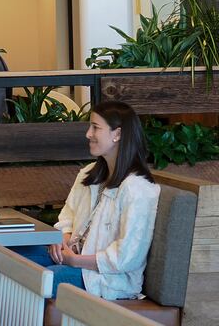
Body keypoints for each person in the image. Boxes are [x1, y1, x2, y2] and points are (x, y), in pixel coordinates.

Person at [18, 101, 160, 299]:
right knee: (12, 259)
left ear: (117, 134)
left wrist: (75, 261)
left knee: (44, 277)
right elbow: (67, 218)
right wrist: (62, 242)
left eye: (96, 127)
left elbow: (127, 257)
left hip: (109, 278)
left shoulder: (138, 188)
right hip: (73, 257)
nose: (88, 134)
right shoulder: (89, 174)